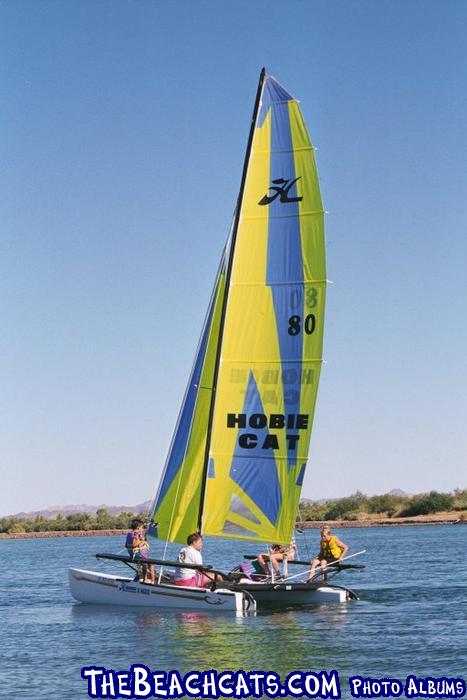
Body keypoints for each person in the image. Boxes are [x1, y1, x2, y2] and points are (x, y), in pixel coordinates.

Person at [125, 518, 155, 584]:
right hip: (137, 554)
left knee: (146, 563)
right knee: (149, 563)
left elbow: (126, 545)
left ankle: (139, 576)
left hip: (132, 554)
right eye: (141, 527)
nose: (142, 529)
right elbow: (134, 544)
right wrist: (141, 541)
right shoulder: (136, 533)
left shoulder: (129, 533)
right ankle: (147, 580)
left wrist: (142, 540)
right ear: (138, 527)